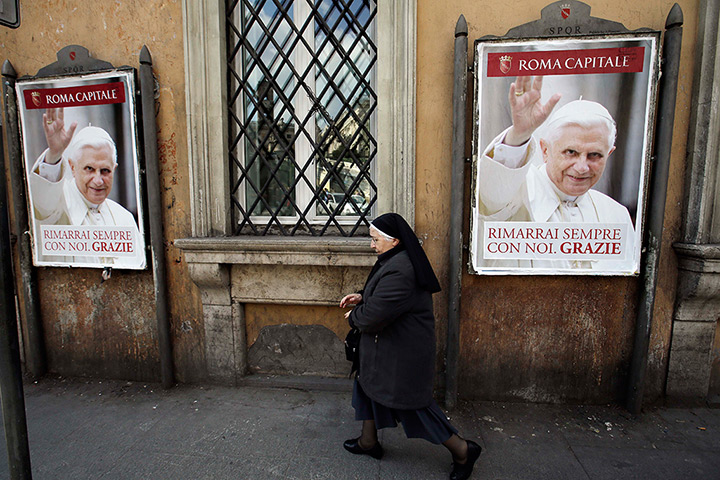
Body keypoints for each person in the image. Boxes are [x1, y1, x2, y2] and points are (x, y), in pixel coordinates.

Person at [340, 213, 481, 480]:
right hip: (390, 348)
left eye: (375, 240)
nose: (372, 245)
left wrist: (355, 316)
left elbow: (374, 316)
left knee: (412, 405)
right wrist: (363, 296)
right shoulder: (396, 260)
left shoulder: (401, 269)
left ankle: (463, 450)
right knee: (367, 385)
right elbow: (384, 297)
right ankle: (368, 442)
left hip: (400, 354)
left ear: (394, 241)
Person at [476, 76, 636, 270]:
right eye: (571, 152)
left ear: (609, 154)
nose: (582, 167)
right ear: (545, 150)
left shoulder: (617, 215)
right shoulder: (516, 193)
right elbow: (489, 196)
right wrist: (519, 136)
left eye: (594, 155)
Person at [29, 107, 143, 266]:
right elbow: (41, 202)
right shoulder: (56, 209)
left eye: (105, 171)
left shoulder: (125, 218)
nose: (98, 181)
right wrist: (54, 155)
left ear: (114, 169)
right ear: (73, 167)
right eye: (89, 169)